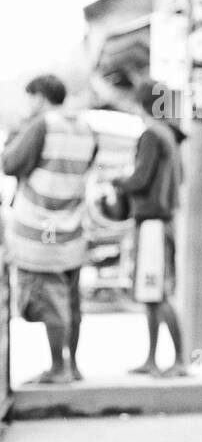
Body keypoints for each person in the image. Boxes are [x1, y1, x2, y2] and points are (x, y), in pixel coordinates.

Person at [2, 75, 97, 384]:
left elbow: (10, 163)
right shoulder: (85, 128)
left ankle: (58, 368)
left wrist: (19, 130)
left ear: (40, 97)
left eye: (31, 98)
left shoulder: (42, 125)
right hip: (72, 227)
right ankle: (74, 365)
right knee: (71, 301)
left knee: (49, 301)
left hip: (39, 230)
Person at [111, 81, 188, 377]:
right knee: (152, 293)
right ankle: (153, 359)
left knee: (158, 293)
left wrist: (118, 181)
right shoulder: (169, 134)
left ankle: (179, 360)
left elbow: (140, 179)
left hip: (153, 222)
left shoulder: (151, 135)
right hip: (162, 221)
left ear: (141, 105)